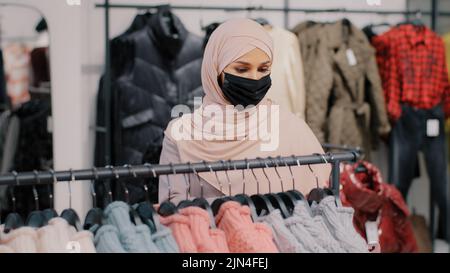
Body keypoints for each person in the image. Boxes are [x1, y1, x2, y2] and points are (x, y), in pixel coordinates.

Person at [159, 18, 330, 204]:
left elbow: (320, 200)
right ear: (215, 68)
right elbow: (171, 209)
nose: (255, 79)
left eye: (263, 69)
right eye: (242, 69)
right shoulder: (181, 134)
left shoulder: (291, 128)